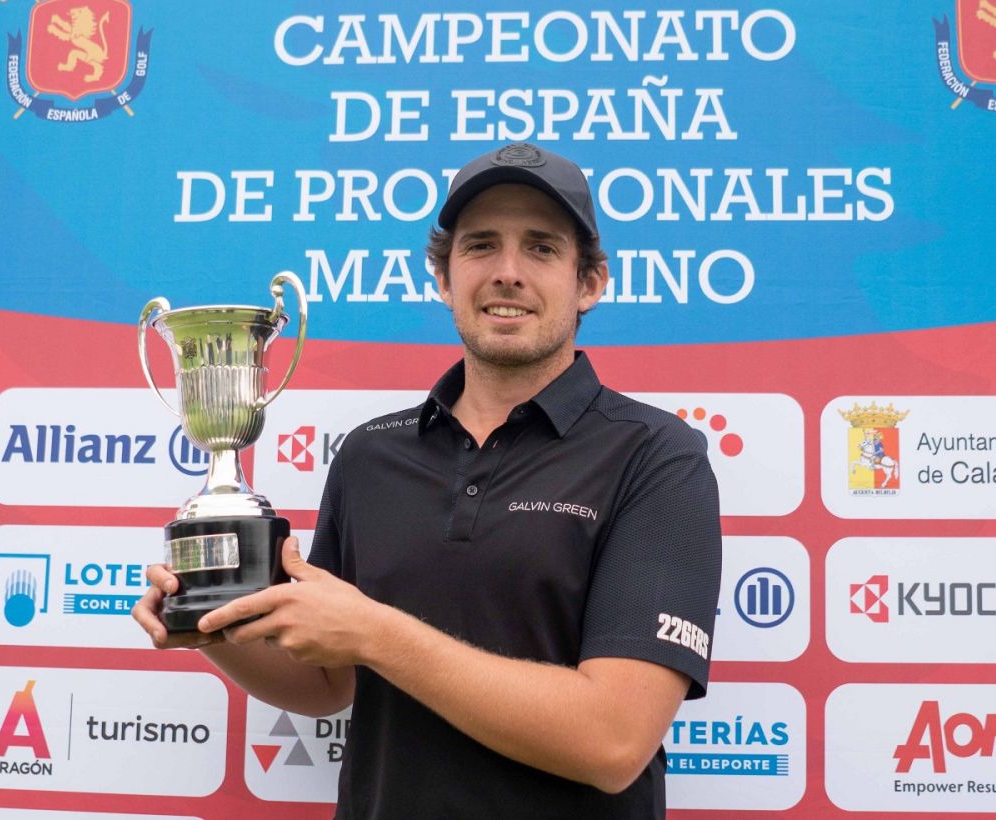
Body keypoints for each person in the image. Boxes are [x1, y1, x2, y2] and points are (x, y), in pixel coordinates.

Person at [134, 143, 722, 818]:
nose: (507, 273)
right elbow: (330, 680)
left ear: (590, 282)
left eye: (540, 248)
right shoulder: (371, 455)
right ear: (443, 277)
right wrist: (213, 624)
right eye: (480, 246)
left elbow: (614, 741)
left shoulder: (655, 456)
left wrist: (377, 633)